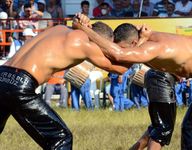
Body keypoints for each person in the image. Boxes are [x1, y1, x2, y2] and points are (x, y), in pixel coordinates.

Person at [78, 14, 192, 149]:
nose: (127, 55)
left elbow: (118, 55)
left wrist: (85, 30)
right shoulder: (149, 39)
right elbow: (118, 63)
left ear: (133, 42)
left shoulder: (151, 46)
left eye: (124, 47)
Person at [0, 14, 128, 149]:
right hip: (20, 84)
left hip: (2, 75)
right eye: (104, 47)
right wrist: (143, 44)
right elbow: (120, 68)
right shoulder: (85, 43)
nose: (104, 51)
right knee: (60, 137)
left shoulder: (59, 28)